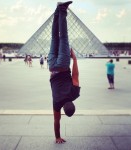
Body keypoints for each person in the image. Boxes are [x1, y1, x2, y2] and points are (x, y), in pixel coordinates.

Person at [48, 1, 80, 144]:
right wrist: (57, 137)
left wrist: (74, 59)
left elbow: (75, 75)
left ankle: (62, 9)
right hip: (52, 67)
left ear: (73, 103)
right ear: (63, 109)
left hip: (63, 64)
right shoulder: (56, 103)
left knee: (63, 37)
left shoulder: (74, 93)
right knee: (54, 37)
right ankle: (57, 10)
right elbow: (56, 121)